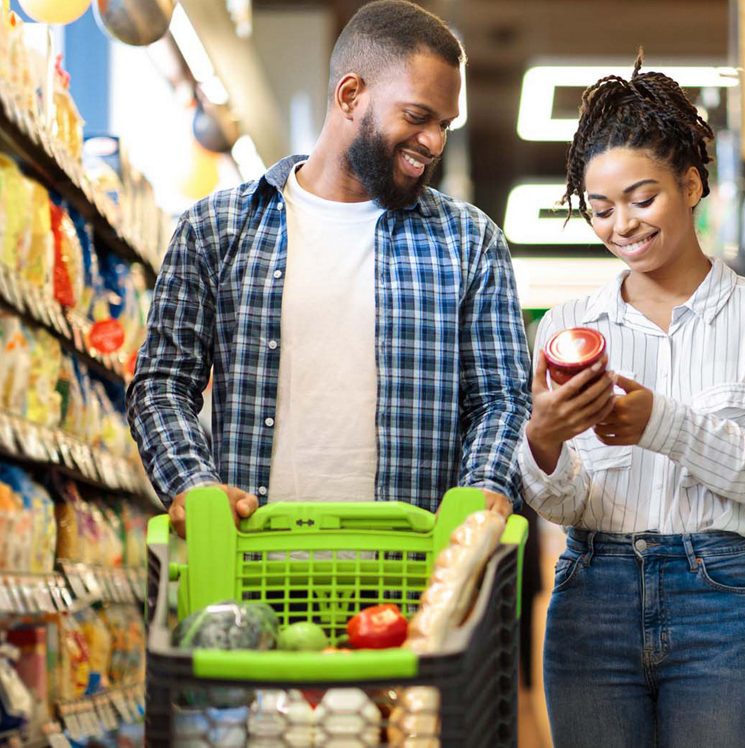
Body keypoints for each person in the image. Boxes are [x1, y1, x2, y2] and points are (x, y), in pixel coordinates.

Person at [127, 0, 530, 536]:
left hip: (416, 581)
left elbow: (502, 400)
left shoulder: (470, 242)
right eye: (416, 116)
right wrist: (193, 484)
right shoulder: (216, 229)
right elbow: (161, 384)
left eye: (444, 124)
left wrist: (485, 485)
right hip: (251, 570)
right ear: (349, 95)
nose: (433, 142)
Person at [521, 55, 745, 746]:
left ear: (690, 184)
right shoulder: (569, 328)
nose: (621, 224)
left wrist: (664, 424)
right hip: (589, 593)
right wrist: (542, 441)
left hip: (716, 598)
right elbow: (561, 505)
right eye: (600, 209)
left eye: (641, 198)